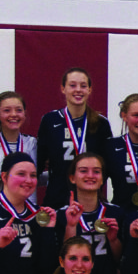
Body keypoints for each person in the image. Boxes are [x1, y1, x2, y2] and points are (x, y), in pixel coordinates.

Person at [37, 67, 114, 209]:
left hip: (91, 199)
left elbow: (107, 166)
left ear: (89, 90)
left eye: (83, 86)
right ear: (63, 88)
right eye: (72, 85)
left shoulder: (101, 123)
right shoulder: (50, 120)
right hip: (57, 197)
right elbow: (39, 161)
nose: (78, 90)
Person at [55, 153, 124, 274]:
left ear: (102, 179)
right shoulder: (61, 215)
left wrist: (113, 240)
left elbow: (120, 259)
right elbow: (61, 259)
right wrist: (71, 226)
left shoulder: (116, 213)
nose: (90, 175)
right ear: (72, 178)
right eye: (83, 171)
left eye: (96, 171)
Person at [0, 91, 38, 199]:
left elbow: (38, 177)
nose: (13, 114)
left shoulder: (32, 143)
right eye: (7, 110)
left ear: (24, 114)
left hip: (28, 211)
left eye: (19, 110)